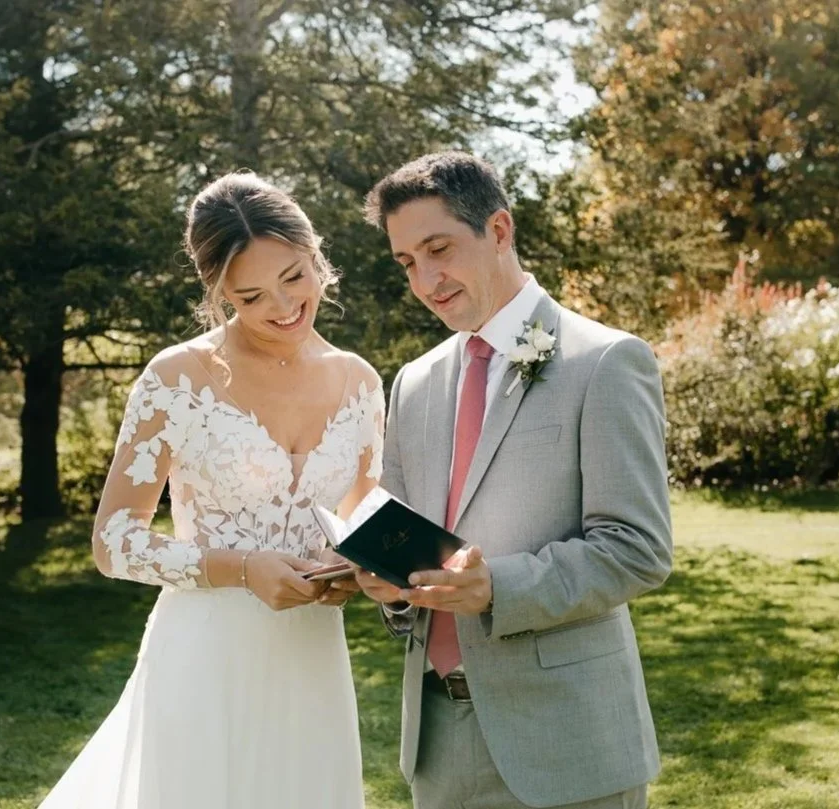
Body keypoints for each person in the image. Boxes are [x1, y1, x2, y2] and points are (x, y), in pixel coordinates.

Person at [38, 171, 380, 809]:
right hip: (204, 654)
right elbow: (114, 543)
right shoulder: (176, 378)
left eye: (295, 278)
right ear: (218, 292)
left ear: (317, 255)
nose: (282, 308)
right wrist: (244, 568)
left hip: (312, 657)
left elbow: (361, 511)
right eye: (250, 296)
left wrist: (354, 570)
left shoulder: (359, 381)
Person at [356, 151, 673, 809]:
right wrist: (389, 586)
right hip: (438, 744)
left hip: (567, 742)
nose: (425, 278)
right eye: (407, 262)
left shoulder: (605, 362)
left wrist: (498, 587)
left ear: (498, 231)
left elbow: (636, 550)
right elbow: (405, 539)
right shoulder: (413, 383)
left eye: (438, 248)